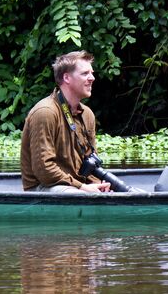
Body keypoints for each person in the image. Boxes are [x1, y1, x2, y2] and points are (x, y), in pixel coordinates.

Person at [21, 50, 111, 193]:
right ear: (67, 78)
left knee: (115, 192)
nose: (92, 78)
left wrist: (99, 187)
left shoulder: (87, 114)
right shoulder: (45, 112)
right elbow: (45, 170)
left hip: (76, 185)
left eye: (92, 73)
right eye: (85, 73)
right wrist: (83, 187)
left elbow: (91, 161)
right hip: (44, 187)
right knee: (81, 196)